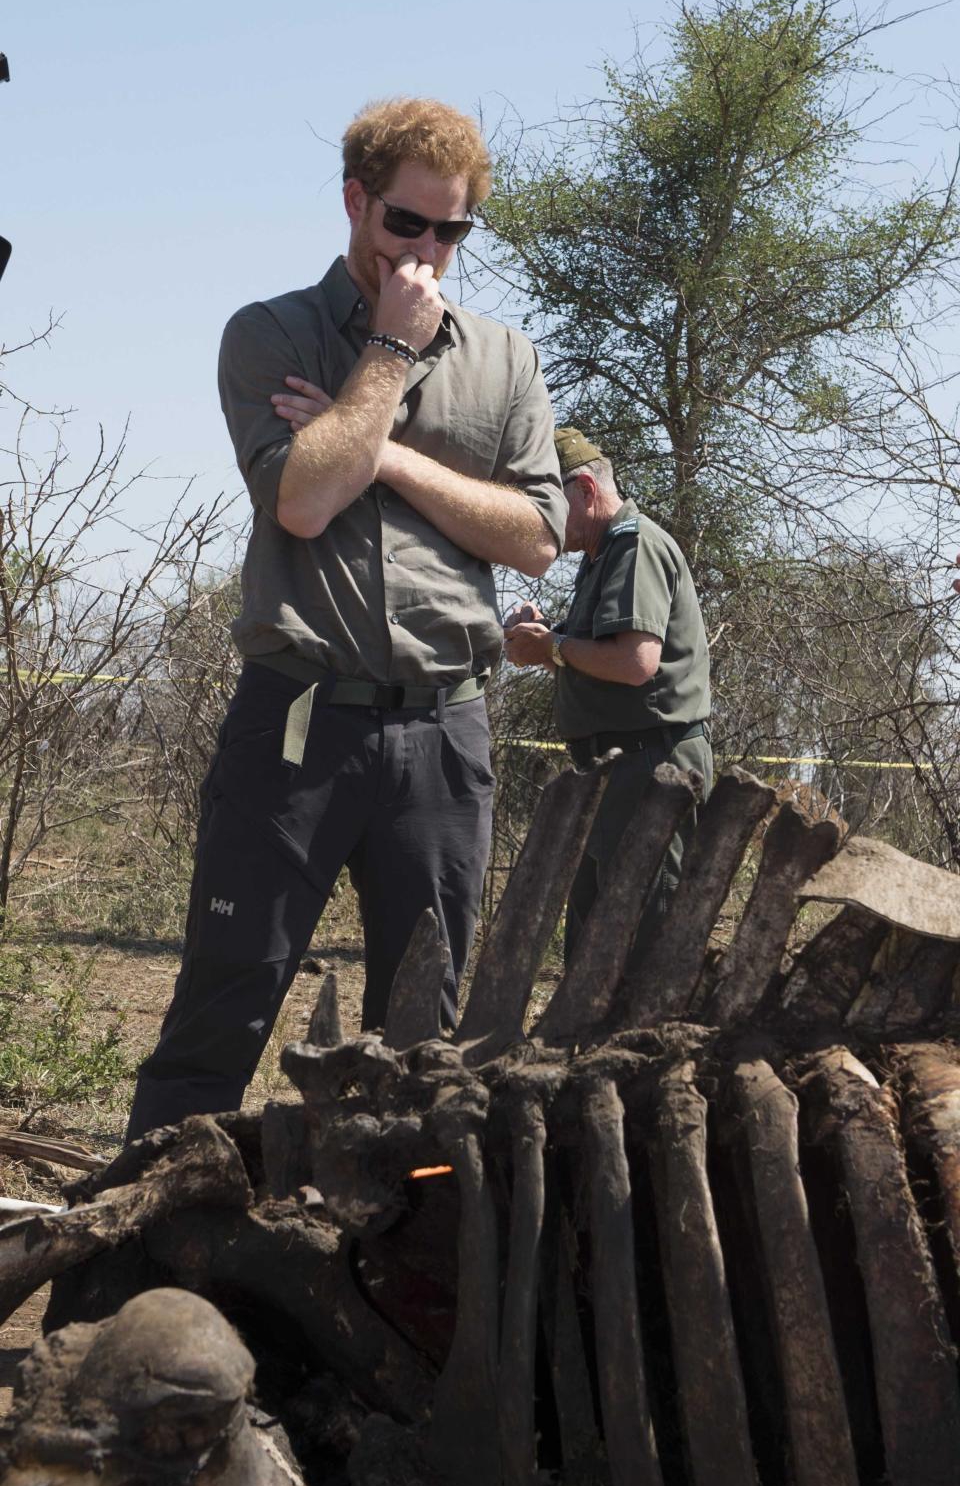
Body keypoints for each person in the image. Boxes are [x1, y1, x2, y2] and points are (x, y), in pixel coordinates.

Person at [126, 97, 565, 1142]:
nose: (427, 252)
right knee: (219, 1015)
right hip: (297, 724)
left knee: (430, 1045)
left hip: (446, 735)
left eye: (451, 231)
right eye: (405, 224)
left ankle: (399, 1283)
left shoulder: (506, 362)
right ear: (356, 203)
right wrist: (386, 352)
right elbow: (307, 498)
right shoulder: (269, 332)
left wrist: (388, 452)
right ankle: (130, 1282)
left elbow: (539, 537)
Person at [503, 426, 712, 962]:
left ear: (586, 490)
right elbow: (600, 660)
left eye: (550, 503)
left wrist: (551, 647)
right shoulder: (603, 553)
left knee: (641, 948)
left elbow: (635, 663)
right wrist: (550, 638)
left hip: (650, 769)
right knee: (595, 950)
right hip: (617, 769)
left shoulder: (635, 544)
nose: (544, 520)